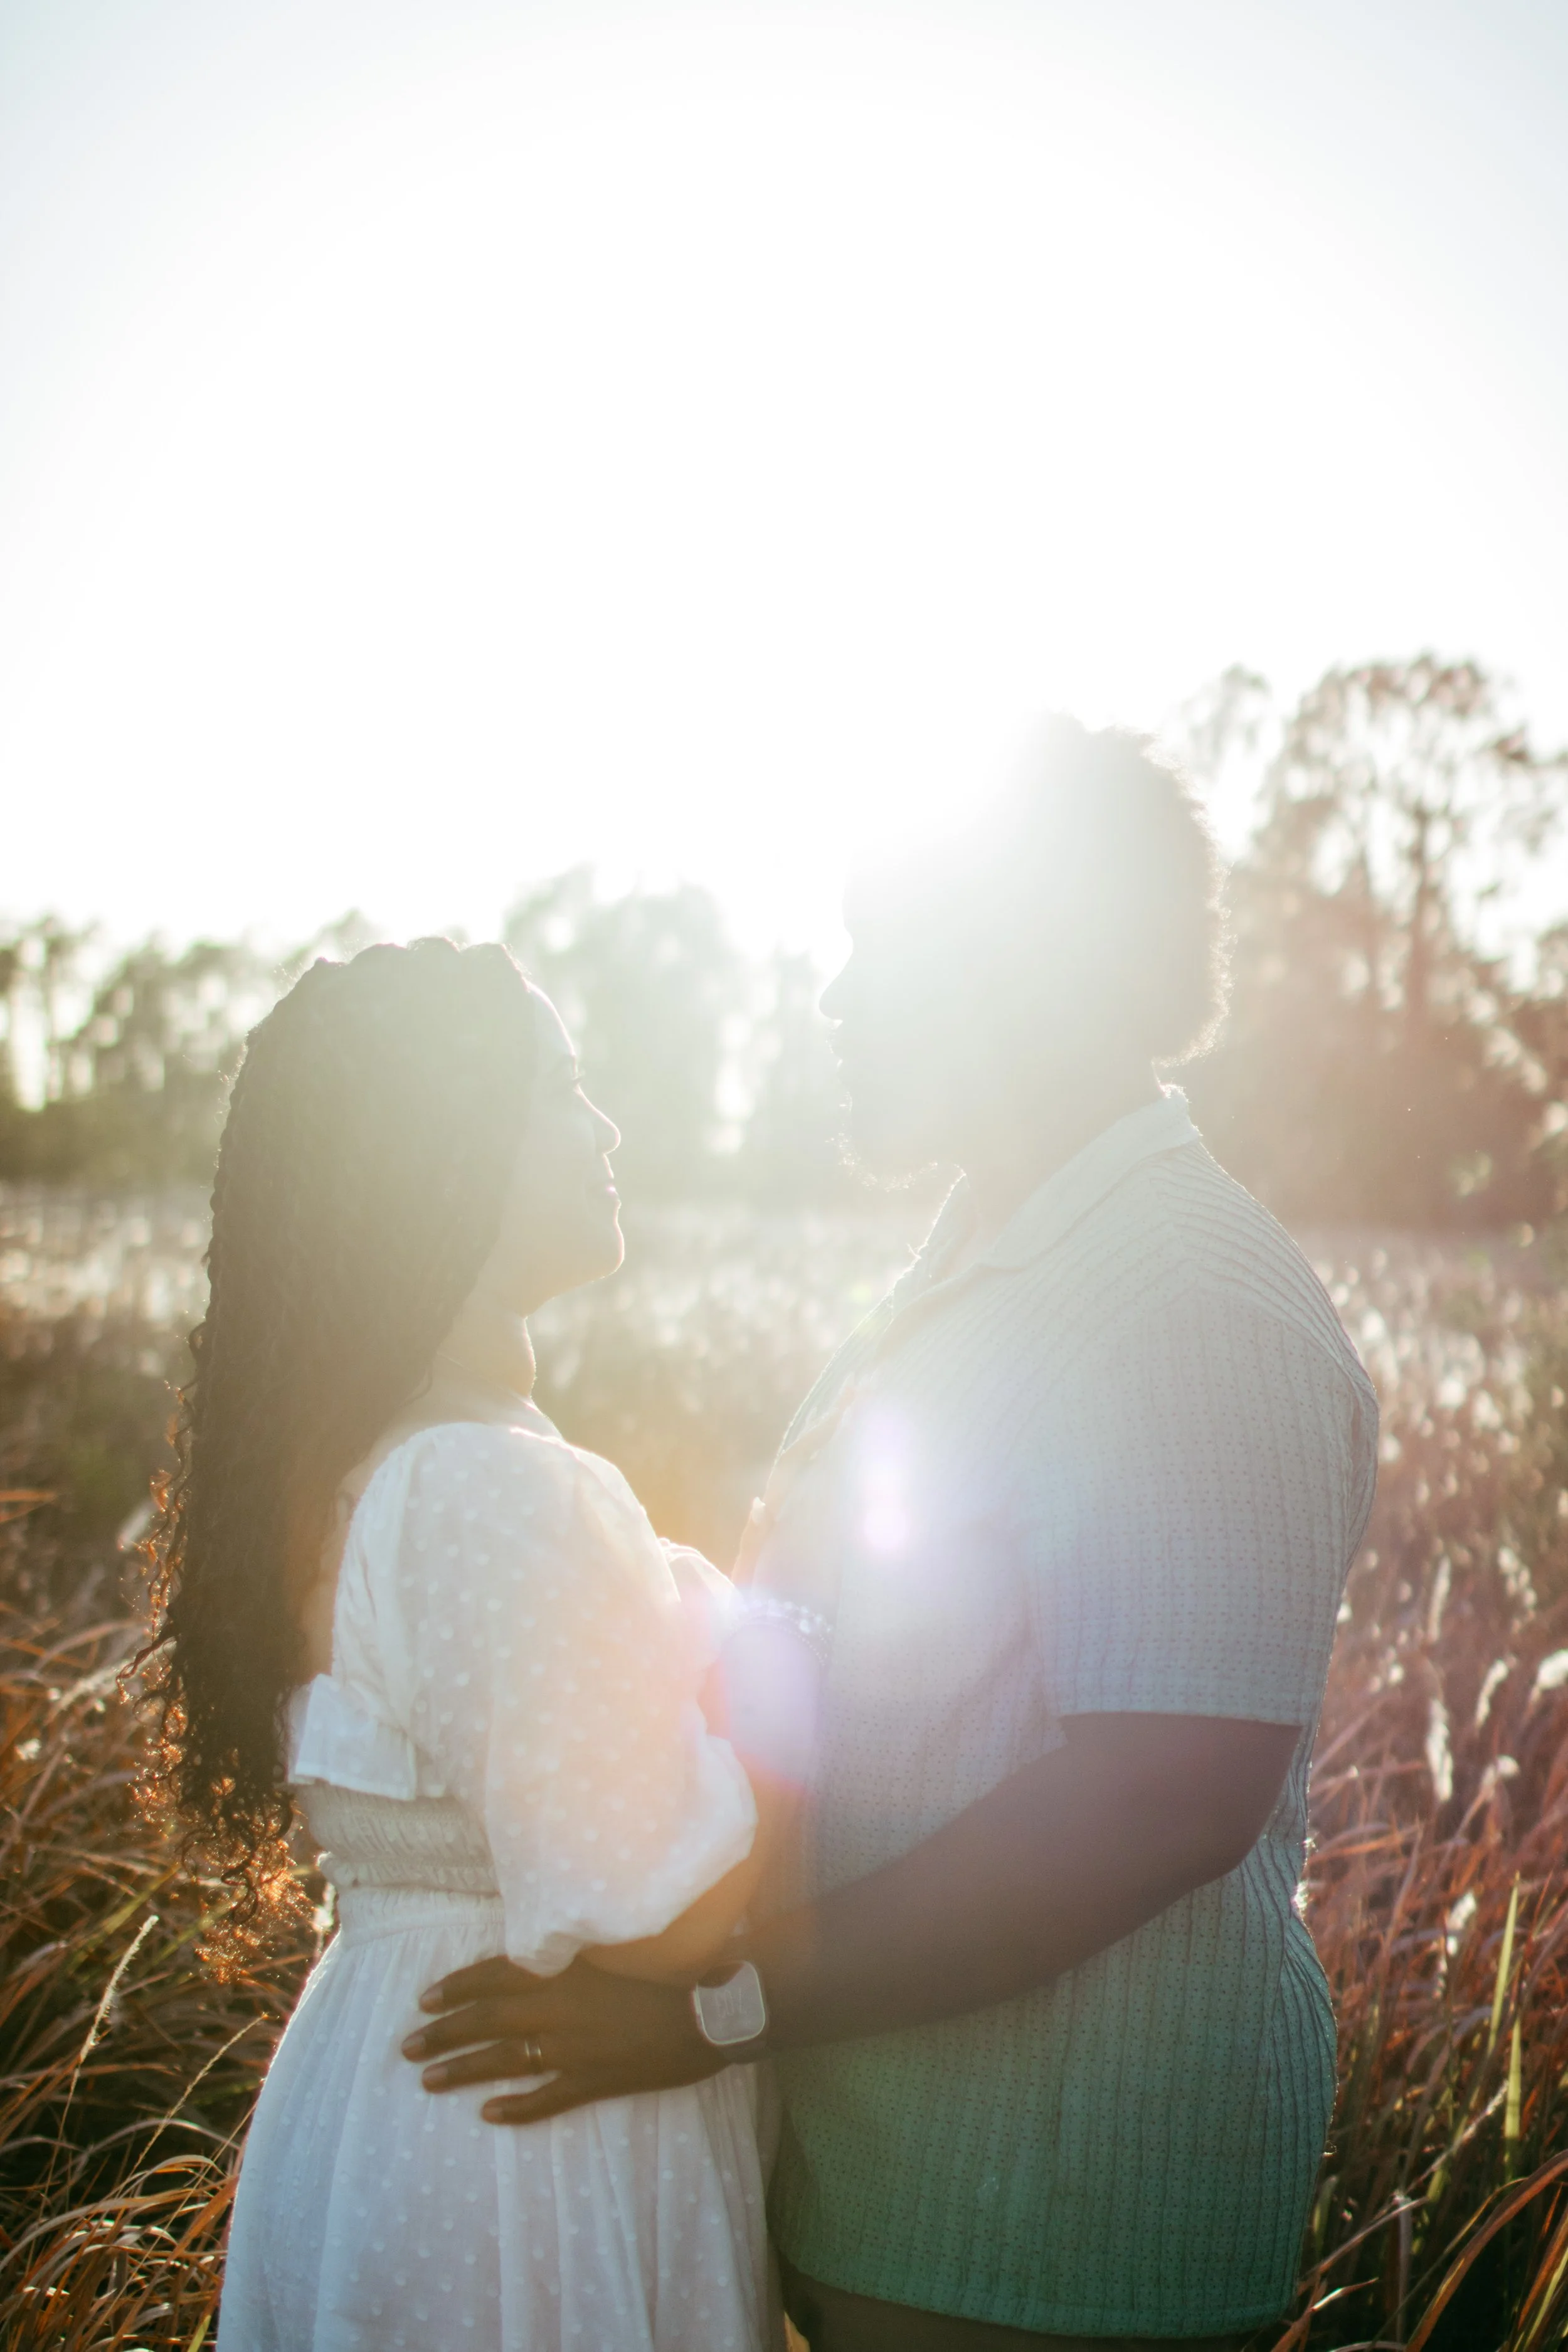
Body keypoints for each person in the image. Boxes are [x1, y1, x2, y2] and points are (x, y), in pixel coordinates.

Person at [403, 719, 1380, 2348]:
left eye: (887, 952)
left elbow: (1156, 1794)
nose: (837, 1000)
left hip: (1055, 2235)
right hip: (887, 2186)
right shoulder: (964, 1269)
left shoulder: (1187, 1302)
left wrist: (719, 2005)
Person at [142, 938, 783, 2352]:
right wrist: (797, 1687)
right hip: (517, 2164)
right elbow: (661, 1911)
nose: (605, 1124)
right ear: (445, 1150)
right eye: (560, 1087)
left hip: (406, 2113)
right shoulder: (483, 1484)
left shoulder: (365, 1466)